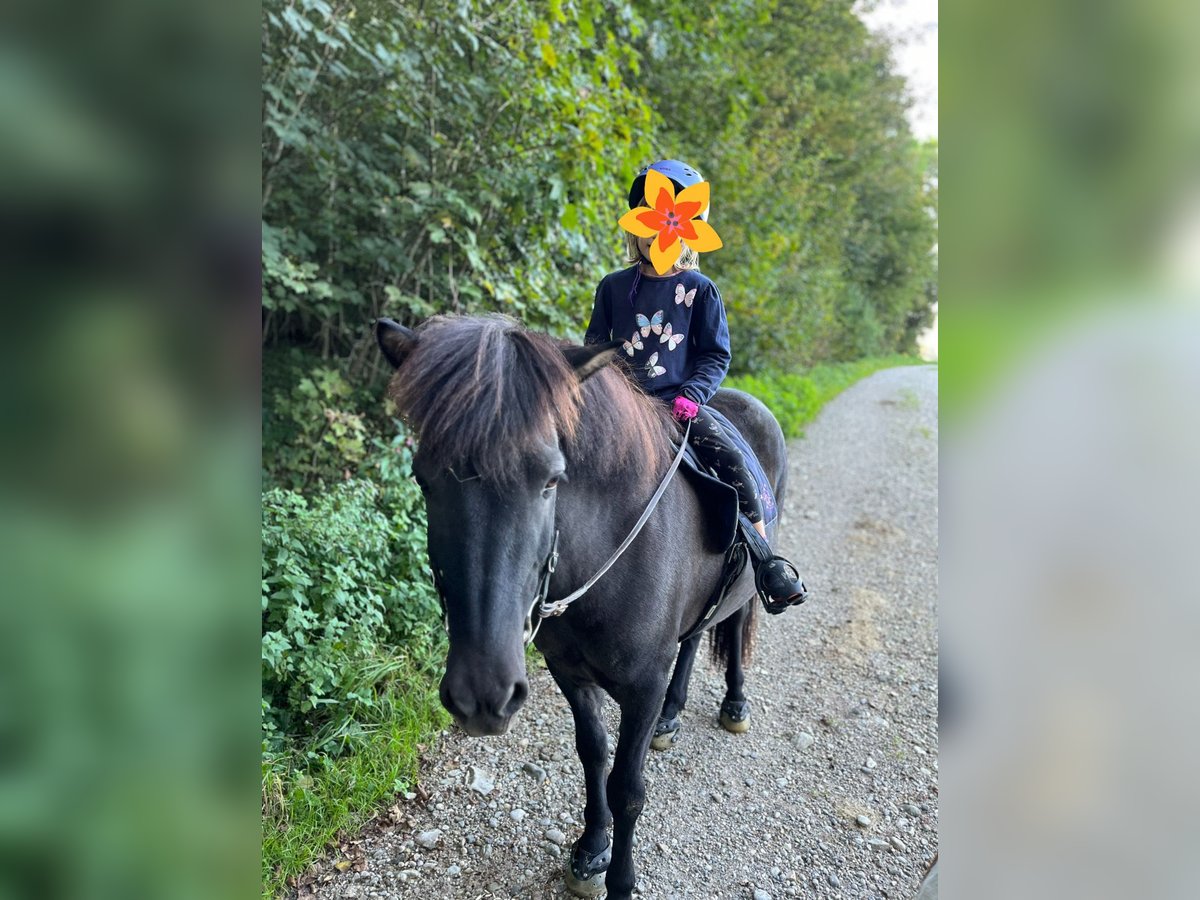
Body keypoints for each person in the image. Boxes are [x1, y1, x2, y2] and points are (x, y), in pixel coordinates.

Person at [584, 160, 807, 611]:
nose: (657, 235)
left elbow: (715, 354)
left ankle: (766, 559)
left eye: (669, 226)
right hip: (623, 406)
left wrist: (693, 396)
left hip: (676, 404)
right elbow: (596, 346)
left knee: (727, 456)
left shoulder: (699, 290)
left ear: (687, 234)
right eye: (649, 222)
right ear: (637, 228)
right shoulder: (613, 288)